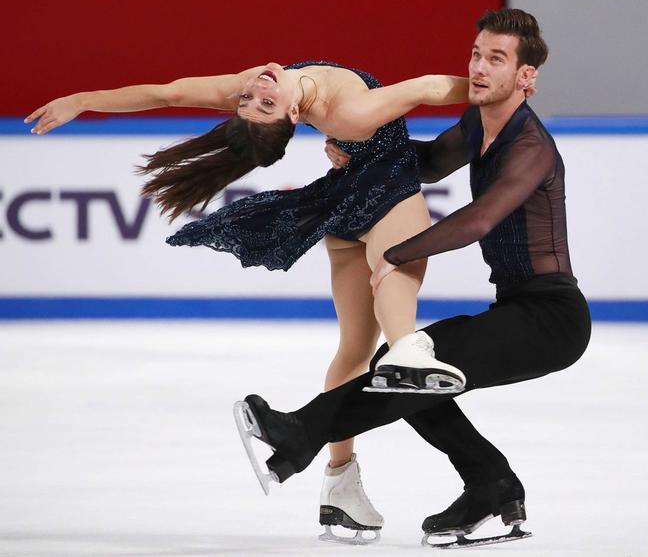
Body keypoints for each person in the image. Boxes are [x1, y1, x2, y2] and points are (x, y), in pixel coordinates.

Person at [25, 61, 471, 542]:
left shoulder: (260, 86)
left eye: (252, 102)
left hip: (341, 204)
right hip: (387, 191)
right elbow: (431, 87)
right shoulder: (351, 112)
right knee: (392, 273)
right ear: (296, 114)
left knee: (355, 351)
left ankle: (340, 483)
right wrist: (499, 92)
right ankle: (407, 346)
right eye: (263, 102)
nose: (256, 91)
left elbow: (166, 91)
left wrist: (83, 98)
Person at [235, 8, 591, 547]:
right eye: (476, 54)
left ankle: (301, 432)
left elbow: (479, 220)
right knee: (404, 367)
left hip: (553, 319)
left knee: (408, 366)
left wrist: (395, 253)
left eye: (496, 59)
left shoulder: (530, 147)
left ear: (526, 76)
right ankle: (492, 486)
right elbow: (424, 163)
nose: (479, 67)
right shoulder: (478, 125)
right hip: (519, 306)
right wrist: (355, 150)